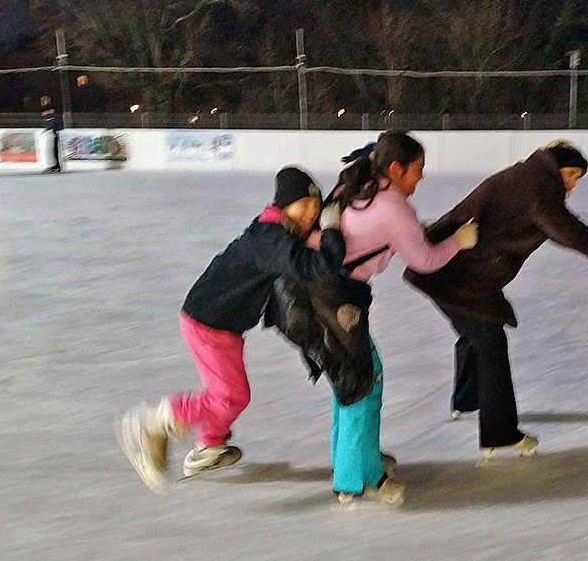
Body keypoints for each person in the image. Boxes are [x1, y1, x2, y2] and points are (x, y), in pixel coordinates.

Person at [404, 141, 588, 464]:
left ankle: (468, 401)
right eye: (571, 175)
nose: (572, 184)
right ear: (557, 168)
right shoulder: (539, 188)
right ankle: (501, 433)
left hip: (447, 270)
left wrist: (427, 247)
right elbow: (575, 235)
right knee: (490, 342)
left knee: (477, 333)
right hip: (461, 277)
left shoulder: (520, 176)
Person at [115, 166, 345, 494]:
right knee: (230, 396)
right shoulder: (272, 239)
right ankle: (153, 421)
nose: (311, 214)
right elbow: (318, 269)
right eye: (304, 206)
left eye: (316, 207)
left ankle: (208, 448)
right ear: (284, 205)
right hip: (210, 322)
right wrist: (332, 231)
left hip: (221, 323)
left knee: (230, 394)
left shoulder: (275, 231)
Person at [308, 131, 478, 508]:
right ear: (397, 169)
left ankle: (352, 460)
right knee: (364, 382)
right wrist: (459, 241)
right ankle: (360, 477)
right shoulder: (394, 208)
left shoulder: (359, 184)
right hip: (336, 299)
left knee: (349, 380)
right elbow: (425, 260)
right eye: (418, 169)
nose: (421, 177)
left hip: (318, 290)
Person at [41, 104, 63, 174]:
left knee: (54, 151)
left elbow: (55, 126)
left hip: (54, 135)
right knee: (51, 151)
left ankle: (56, 166)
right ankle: (54, 165)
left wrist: (50, 129)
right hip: (51, 135)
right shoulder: (48, 118)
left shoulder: (54, 118)